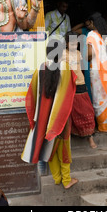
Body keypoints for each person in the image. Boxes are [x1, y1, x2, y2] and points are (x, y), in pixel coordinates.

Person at [22, 41, 78, 189]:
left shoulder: (40, 68)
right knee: (64, 147)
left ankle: (57, 178)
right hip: (61, 116)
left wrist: (36, 116)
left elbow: (32, 94)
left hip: (43, 117)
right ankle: (67, 180)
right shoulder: (65, 68)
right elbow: (70, 91)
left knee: (49, 147)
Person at [62, 31, 97, 148]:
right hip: (69, 85)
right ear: (66, 44)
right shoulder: (63, 54)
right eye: (71, 43)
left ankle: (90, 138)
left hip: (81, 83)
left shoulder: (78, 53)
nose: (74, 45)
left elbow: (80, 69)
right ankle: (71, 138)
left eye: (75, 43)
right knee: (70, 113)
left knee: (87, 111)